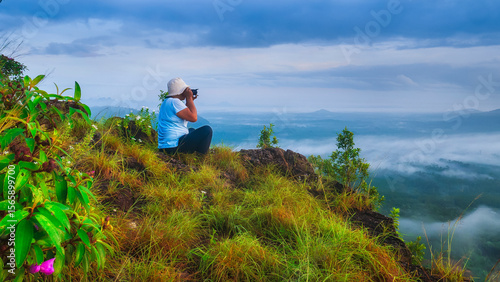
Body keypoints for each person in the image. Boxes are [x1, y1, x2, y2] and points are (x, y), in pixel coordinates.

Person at [158, 77, 213, 155]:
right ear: (180, 91)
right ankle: (200, 159)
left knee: (191, 130)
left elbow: (185, 114)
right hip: (174, 146)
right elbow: (193, 118)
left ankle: (193, 155)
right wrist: (189, 98)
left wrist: (190, 101)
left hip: (166, 146)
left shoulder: (167, 101)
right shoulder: (175, 102)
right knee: (207, 130)